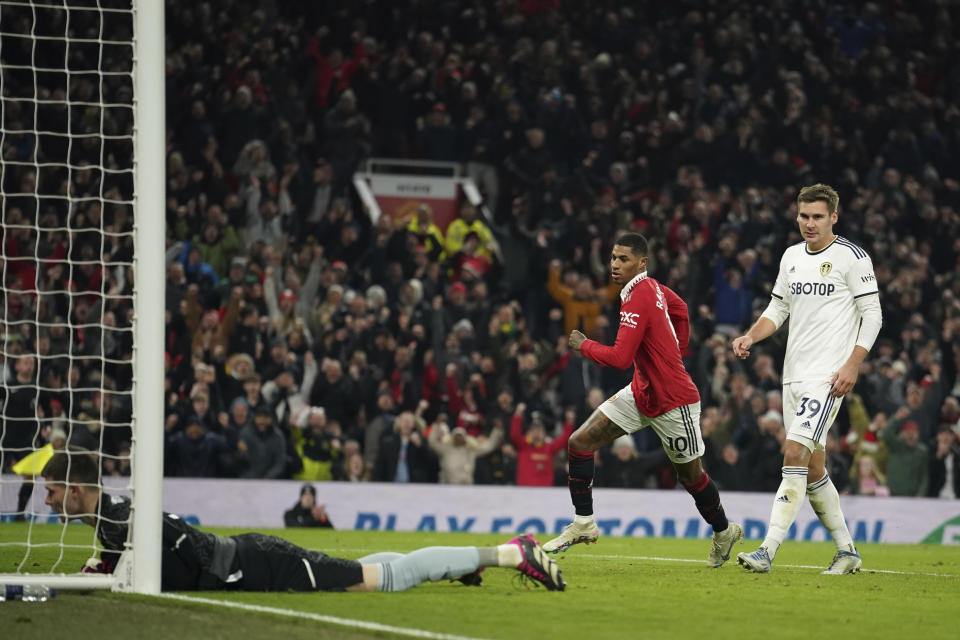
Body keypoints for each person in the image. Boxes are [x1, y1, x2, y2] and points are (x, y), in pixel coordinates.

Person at [41, 449, 565, 592]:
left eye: (52, 490)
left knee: (383, 581)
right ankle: (457, 567)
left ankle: (509, 552)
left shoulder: (116, 518)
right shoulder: (109, 520)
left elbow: (181, 544)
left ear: (78, 488)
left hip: (263, 568)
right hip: (253, 560)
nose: (46, 500)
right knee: (360, 568)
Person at [542, 232, 742, 568]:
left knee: (691, 477)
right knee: (580, 442)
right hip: (641, 392)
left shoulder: (639, 297)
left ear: (642, 263)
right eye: (613, 257)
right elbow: (681, 310)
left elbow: (620, 358)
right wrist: (675, 350)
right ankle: (583, 524)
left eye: (623, 259)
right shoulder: (654, 289)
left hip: (675, 401)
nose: (614, 265)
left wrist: (584, 345)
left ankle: (724, 531)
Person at [731, 183, 882, 575]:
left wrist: (852, 365)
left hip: (827, 377)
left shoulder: (853, 258)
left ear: (834, 216)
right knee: (813, 468)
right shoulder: (791, 256)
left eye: (817, 216)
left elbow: (874, 315)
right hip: (792, 377)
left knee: (793, 453)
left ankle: (767, 550)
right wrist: (751, 335)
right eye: (804, 216)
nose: (809, 223)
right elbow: (777, 308)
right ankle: (847, 551)